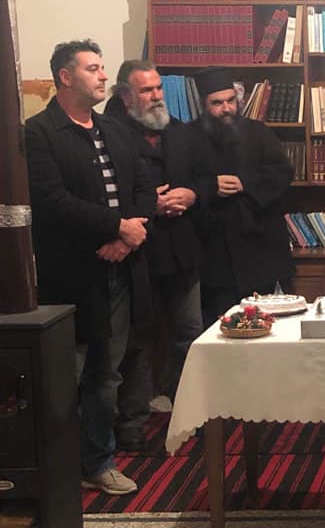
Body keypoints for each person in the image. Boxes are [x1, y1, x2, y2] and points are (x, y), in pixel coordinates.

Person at [25, 40, 153, 495]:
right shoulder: (38, 133)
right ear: (65, 77)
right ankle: (55, 467)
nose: (103, 76)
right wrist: (116, 226)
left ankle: (98, 461)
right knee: (67, 374)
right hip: (70, 274)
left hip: (119, 270)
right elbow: (51, 200)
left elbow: (144, 186)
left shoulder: (114, 129)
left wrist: (126, 235)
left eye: (102, 68)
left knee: (106, 372)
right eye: (93, 68)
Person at [104, 60, 214, 447]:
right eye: (146, 90)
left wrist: (193, 194)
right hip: (137, 253)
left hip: (182, 251)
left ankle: (189, 412)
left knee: (189, 334)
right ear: (125, 96)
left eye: (158, 89)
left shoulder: (181, 132)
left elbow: (206, 178)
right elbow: (105, 194)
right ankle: (132, 421)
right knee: (137, 341)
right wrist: (151, 202)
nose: (156, 96)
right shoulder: (110, 134)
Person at [190, 67, 295, 327]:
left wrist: (245, 184)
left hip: (261, 246)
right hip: (214, 252)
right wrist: (211, 186)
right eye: (217, 103)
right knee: (219, 327)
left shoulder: (258, 132)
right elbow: (183, 183)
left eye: (230, 100)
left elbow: (282, 173)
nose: (226, 108)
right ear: (204, 104)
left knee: (266, 326)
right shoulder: (188, 137)